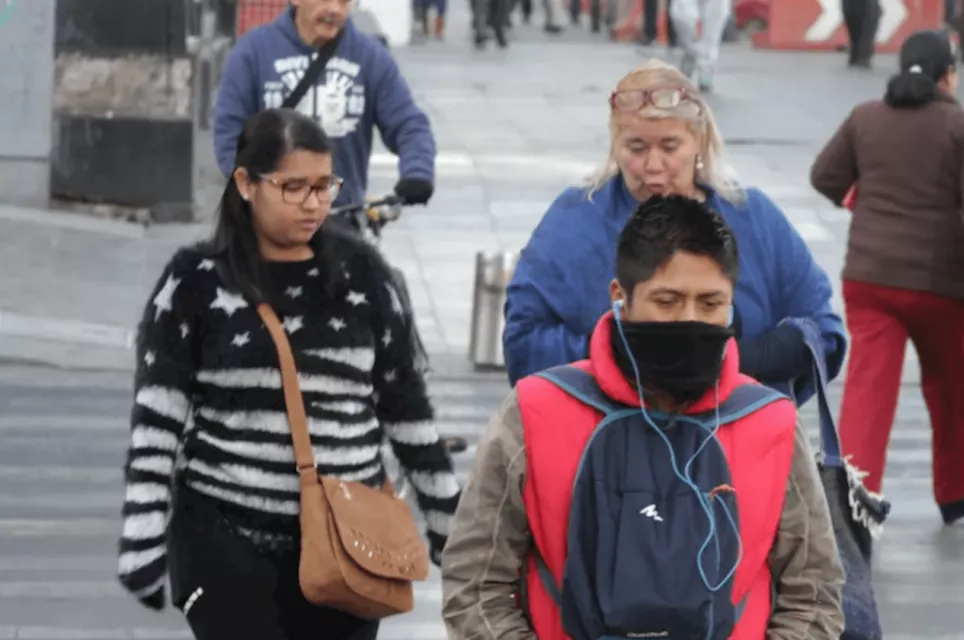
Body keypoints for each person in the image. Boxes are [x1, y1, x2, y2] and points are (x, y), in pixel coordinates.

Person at [115, 109, 460, 637]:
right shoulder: (195, 281)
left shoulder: (363, 275)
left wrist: (446, 524)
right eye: (293, 187)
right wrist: (142, 535)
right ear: (246, 184)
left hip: (351, 545)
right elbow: (157, 418)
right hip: (225, 539)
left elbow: (408, 408)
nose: (313, 202)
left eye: (324, 186)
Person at [441, 195, 845, 638]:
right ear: (621, 297)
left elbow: (815, 591)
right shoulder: (535, 410)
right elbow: (475, 581)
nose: (688, 320)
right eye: (667, 301)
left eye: (710, 304)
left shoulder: (772, 423)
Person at [503, 59, 847, 405]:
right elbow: (524, 339)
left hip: (736, 435)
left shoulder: (755, 218)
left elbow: (822, 332)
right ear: (615, 144)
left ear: (698, 141)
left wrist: (733, 361)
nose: (653, 166)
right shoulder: (574, 220)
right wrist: (627, 358)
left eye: (670, 147)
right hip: (604, 434)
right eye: (636, 148)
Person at [810, 30, 964, 530]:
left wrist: (861, 201)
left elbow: (825, 176)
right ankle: (953, 491)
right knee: (949, 390)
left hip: (870, 277)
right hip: (937, 284)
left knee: (869, 389)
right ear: (949, 75)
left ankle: (854, 499)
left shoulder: (866, 118)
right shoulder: (962, 127)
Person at [214, 0, 437, 214]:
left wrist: (417, 172)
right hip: (271, 218)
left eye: (344, 1)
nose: (335, 10)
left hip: (341, 215)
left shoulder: (370, 56)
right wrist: (248, 185)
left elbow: (408, 123)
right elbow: (230, 128)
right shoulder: (252, 52)